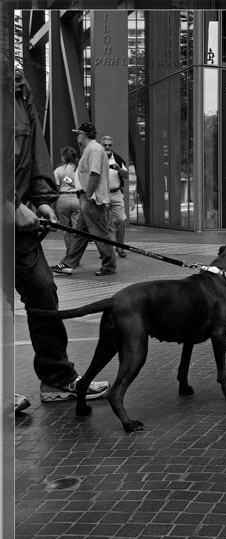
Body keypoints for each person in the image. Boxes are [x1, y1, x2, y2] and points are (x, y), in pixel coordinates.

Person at [11, 71, 110, 410]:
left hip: (19, 222)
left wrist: (41, 199)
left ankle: (56, 380)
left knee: (42, 291)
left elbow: (35, 151)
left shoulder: (19, 88)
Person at [50, 122, 117, 276]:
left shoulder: (93, 149)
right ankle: (68, 264)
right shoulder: (93, 149)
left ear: (83, 134)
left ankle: (109, 265)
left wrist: (88, 195)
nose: (77, 136)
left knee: (99, 233)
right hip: (87, 199)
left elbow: (94, 174)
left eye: (78, 133)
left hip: (91, 199)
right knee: (80, 233)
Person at [102, 135, 129, 257]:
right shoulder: (98, 158)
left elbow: (126, 176)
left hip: (116, 194)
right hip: (102, 195)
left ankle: (120, 246)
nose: (107, 147)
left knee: (121, 220)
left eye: (109, 145)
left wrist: (118, 169)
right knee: (101, 223)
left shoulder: (118, 159)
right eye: (105, 145)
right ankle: (105, 249)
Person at [52, 146, 81, 258]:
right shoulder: (78, 169)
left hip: (62, 199)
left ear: (64, 157)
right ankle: (75, 255)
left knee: (65, 230)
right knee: (77, 230)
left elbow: (56, 188)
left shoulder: (58, 170)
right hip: (77, 198)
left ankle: (69, 253)